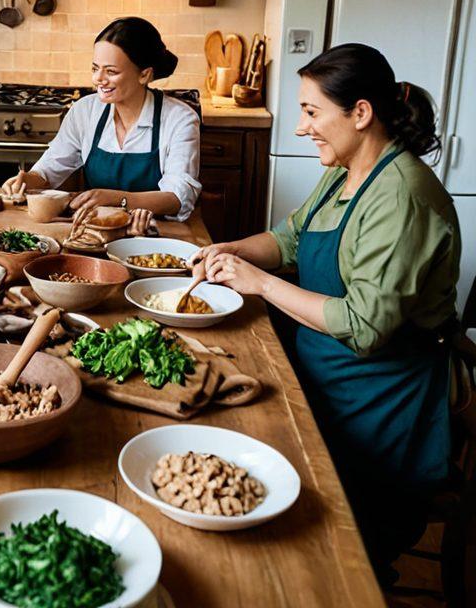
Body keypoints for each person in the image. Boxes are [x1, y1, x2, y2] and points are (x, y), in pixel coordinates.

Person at [194, 44, 460, 582]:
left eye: (312, 112)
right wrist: (231, 251)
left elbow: (365, 327)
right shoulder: (345, 171)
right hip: (317, 369)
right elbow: (290, 240)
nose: (300, 128)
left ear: (360, 113)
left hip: (377, 401)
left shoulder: (402, 196)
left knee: (324, 552)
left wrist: (261, 285)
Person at [1, 17, 201, 232]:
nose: (98, 79)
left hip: (157, 236)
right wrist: (26, 180)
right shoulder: (85, 111)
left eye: (111, 72)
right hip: (95, 233)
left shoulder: (179, 119)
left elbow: (177, 198)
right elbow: (48, 173)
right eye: (95, 68)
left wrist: (116, 199)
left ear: (144, 74)